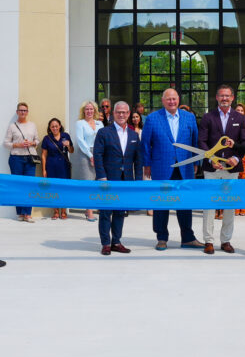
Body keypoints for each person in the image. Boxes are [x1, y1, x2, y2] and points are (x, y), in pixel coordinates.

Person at [141, 86, 200, 250]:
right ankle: (161, 238)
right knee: (161, 204)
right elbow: (145, 144)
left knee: (185, 203)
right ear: (163, 101)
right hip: (161, 167)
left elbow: (195, 141)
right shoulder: (153, 118)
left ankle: (187, 238)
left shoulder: (189, 117)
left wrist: (196, 163)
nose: (172, 101)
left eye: (174, 98)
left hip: (185, 167)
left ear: (178, 100)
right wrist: (146, 165)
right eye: (168, 99)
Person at [196, 84, 245, 253]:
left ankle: (226, 240)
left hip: (231, 168)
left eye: (227, 96)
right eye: (221, 96)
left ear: (232, 98)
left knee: (229, 205)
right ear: (217, 98)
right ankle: (208, 241)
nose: (225, 99)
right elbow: (202, 141)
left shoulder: (240, 119)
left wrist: (236, 158)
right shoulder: (207, 117)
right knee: (209, 205)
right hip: (212, 168)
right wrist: (211, 158)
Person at [92, 99, 142, 254]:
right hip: (107, 179)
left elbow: (138, 160)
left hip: (126, 180)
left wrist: (138, 181)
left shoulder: (134, 135)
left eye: (124, 112)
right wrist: (101, 176)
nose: (121, 115)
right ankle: (106, 243)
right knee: (106, 211)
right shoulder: (104, 132)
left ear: (128, 114)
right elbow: (98, 155)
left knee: (120, 212)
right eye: (118, 112)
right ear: (113, 114)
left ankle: (116, 242)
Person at [4, 101, 40, 222]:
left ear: (27, 112)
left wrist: (32, 143)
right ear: (17, 112)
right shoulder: (12, 126)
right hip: (16, 158)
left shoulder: (32, 125)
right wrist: (18, 144)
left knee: (29, 185)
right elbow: (6, 143)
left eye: (25, 110)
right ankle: (20, 213)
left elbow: (37, 140)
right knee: (17, 185)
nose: (23, 112)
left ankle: (28, 213)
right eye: (21, 110)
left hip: (30, 158)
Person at [72, 102, 101, 220]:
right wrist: (90, 155)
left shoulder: (100, 123)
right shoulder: (80, 123)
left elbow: (103, 138)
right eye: (87, 109)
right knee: (88, 182)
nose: (89, 111)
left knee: (96, 182)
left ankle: (92, 207)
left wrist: (99, 154)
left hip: (98, 152)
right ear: (83, 111)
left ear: (95, 111)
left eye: (91, 109)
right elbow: (80, 141)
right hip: (85, 153)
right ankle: (89, 211)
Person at [40, 117, 73, 222]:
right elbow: (44, 155)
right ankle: (55, 211)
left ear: (60, 126)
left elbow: (72, 151)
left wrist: (68, 146)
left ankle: (63, 211)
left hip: (64, 166)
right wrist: (44, 170)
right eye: (52, 126)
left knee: (64, 188)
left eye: (56, 126)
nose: (54, 128)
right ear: (50, 128)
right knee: (53, 188)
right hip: (51, 166)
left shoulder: (65, 136)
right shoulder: (47, 138)